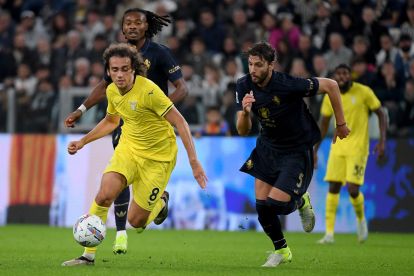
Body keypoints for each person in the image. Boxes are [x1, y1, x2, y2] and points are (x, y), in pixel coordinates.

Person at [62, 43, 207, 266]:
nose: (119, 75)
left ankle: (161, 203)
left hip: (158, 157)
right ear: (108, 71)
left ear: (134, 69)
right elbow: (111, 121)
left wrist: (194, 162)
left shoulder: (149, 91)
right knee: (104, 195)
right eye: (115, 69)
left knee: (136, 221)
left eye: (124, 69)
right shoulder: (111, 90)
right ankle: (88, 255)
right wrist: (82, 141)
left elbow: (180, 122)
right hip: (128, 148)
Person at [235, 42, 350, 268]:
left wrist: (341, 123)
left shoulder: (288, 84)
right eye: (250, 64)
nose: (253, 70)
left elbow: (332, 85)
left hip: (295, 150)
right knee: (262, 208)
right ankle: (282, 251)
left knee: (276, 206)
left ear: (271, 65)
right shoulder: (244, 85)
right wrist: (245, 113)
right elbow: (242, 130)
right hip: (267, 148)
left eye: (258, 65)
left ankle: (301, 200)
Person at [316, 64, 386, 244]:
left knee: (353, 190)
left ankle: (361, 221)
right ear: (334, 76)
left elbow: (381, 113)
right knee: (333, 188)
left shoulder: (364, 92)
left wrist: (382, 141)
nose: (341, 77)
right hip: (337, 147)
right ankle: (329, 234)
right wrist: (315, 149)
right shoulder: (329, 94)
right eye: (338, 74)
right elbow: (323, 124)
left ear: (350, 76)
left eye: (345, 73)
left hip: (358, 148)